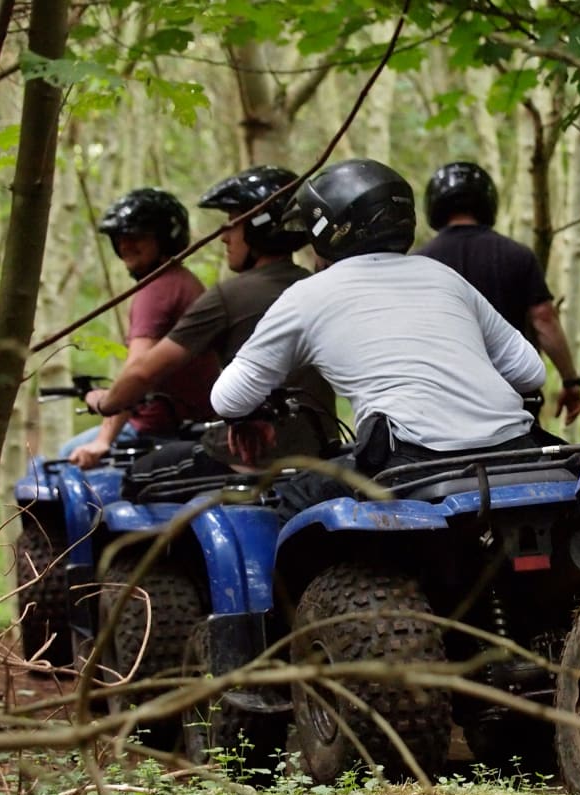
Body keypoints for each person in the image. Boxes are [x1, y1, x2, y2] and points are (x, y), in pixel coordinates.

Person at [209, 158, 555, 522]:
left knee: (292, 497)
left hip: (412, 464)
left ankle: (320, 582)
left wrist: (254, 414)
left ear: (330, 231)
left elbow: (228, 398)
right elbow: (530, 372)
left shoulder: (307, 295)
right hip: (516, 452)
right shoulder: (442, 276)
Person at [82, 166, 341, 493]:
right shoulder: (317, 286)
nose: (224, 235)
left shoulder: (228, 296)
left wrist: (105, 402)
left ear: (259, 227)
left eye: (233, 222)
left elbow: (143, 372)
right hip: (323, 452)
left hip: (252, 458)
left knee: (135, 478)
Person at [415, 162, 580, 425]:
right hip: (512, 402)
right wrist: (571, 381)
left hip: (442, 404)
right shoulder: (517, 255)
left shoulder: (420, 263)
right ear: (487, 201)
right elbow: (545, 319)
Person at [64, 189, 220, 468]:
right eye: (119, 237)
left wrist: (103, 439)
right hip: (189, 422)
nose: (125, 245)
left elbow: (138, 369)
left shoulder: (158, 289)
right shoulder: (183, 280)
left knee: (63, 458)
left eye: (136, 236)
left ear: (164, 238)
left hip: (157, 428)